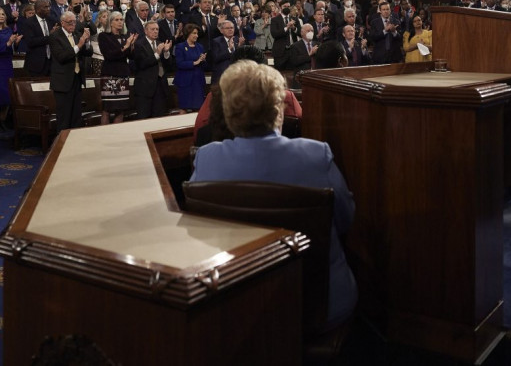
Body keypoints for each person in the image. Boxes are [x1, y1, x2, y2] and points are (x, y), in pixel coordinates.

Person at [190, 60, 357, 328]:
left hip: (237, 305)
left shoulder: (207, 159)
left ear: (229, 112)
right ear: (279, 109)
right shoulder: (315, 155)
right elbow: (346, 219)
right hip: (318, 301)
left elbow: (200, 234)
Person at [49, 10, 93, 135]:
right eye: (70, 22)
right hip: (62, 82)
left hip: (77, 79)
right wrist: (79, 45)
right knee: (64, 116)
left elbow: (88, 52)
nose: (73, 25)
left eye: (74, 22)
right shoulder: (55, 36)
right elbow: (61, 57)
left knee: (76, 116)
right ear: (62, 23)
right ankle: (60, 146)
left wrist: (87, 41)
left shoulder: (76, 34)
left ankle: (73, 143)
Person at [97, 12, 137, 124]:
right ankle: (104, 135)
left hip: (123, 75)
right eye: (117, 20)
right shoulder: (104, 36)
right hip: (110, 75)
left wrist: (132, 46)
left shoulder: (124, 37)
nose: (120, 22)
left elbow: (131, 56)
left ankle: (117, 135)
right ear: (111, 22)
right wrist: (125, 47)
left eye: (121, 20)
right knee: (107, 109)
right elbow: (109, 55)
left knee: (121, 110)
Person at [131, 20, 172, 118]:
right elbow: (142, 64)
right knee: (144, 118)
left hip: (160, 86)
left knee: (159, 118)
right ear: (145, 31)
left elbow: (168, 66)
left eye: (157, 29)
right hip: (145, 88)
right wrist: (157, 53)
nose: (155, 31)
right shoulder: (139, 44)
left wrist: (166, 52)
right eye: (152, 29)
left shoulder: (160, 43)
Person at [174, 23, 207, 112]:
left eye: (197, 33)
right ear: (188, 34)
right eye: (194, 33)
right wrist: (194, 63)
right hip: (185, 83)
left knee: (199, 108)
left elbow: (203, 65)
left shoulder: (200, 47)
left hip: (198, 82)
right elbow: (179, 63)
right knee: (184, 108)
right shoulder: (180, 47)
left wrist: (203, 60)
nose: (196, 35)